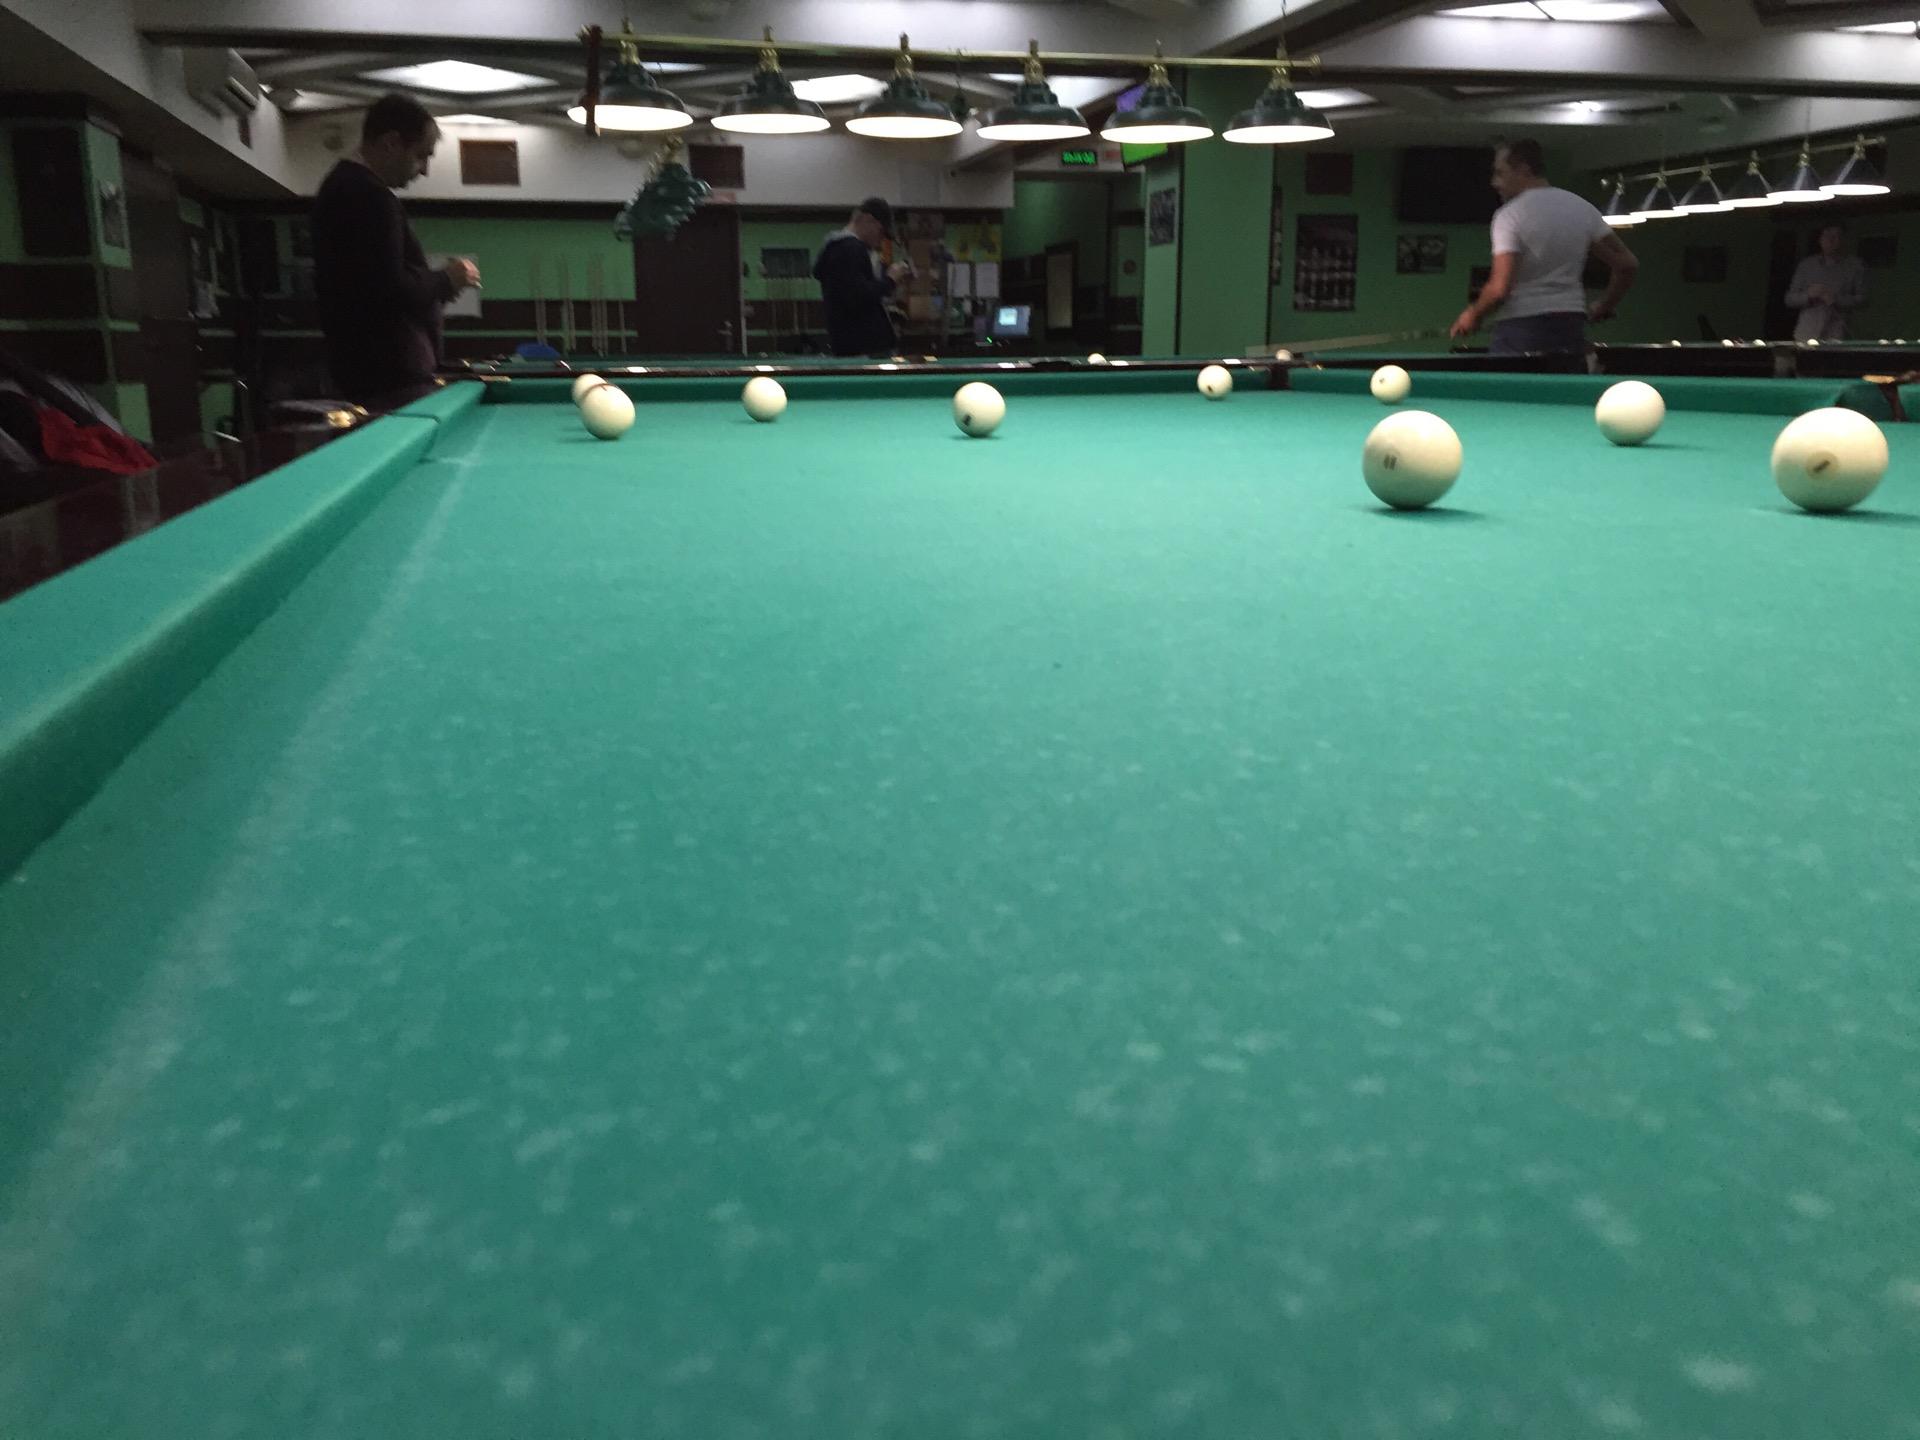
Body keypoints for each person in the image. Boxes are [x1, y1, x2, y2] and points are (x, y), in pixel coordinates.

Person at [312, 94, 481, 411]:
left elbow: (373, 282)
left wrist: (438, 283)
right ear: (390, 143)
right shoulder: (368, 195)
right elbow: (389, 288)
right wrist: (447, 279)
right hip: (390, 380)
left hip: (372, 375)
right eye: (421, 156)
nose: (425, 170)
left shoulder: (346, 187)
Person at [1451, 139, 1639, 357]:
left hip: (1521, 329)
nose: (1494, 182)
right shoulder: (1581, 208)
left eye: (1500, 173)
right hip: (1570, 325)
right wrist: (1604, 306)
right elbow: (1627, 265)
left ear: (1523, 170)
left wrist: (1473, 314)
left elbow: (1500, 288)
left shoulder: (1510, 215)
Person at [813, 198, 911, 357]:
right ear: (868, 220)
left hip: (850, 344)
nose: (881, 240)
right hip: (863, 348)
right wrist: (890, 280)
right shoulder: (851, 249)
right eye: (881, 232)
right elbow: (859, 295)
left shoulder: (837, 249)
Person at [1785, 225, 1867, 342]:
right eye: (1827, 236)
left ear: (1844, 240)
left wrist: (1836, 299)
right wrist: (1808, 295)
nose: (1830, 240)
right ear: (1820, 239)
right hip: (1806, 334)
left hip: (1837, 335)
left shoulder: (1855, 266)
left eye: (1835, 236)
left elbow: (1863, 300)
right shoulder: (1806, 265)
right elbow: (1789, 299)